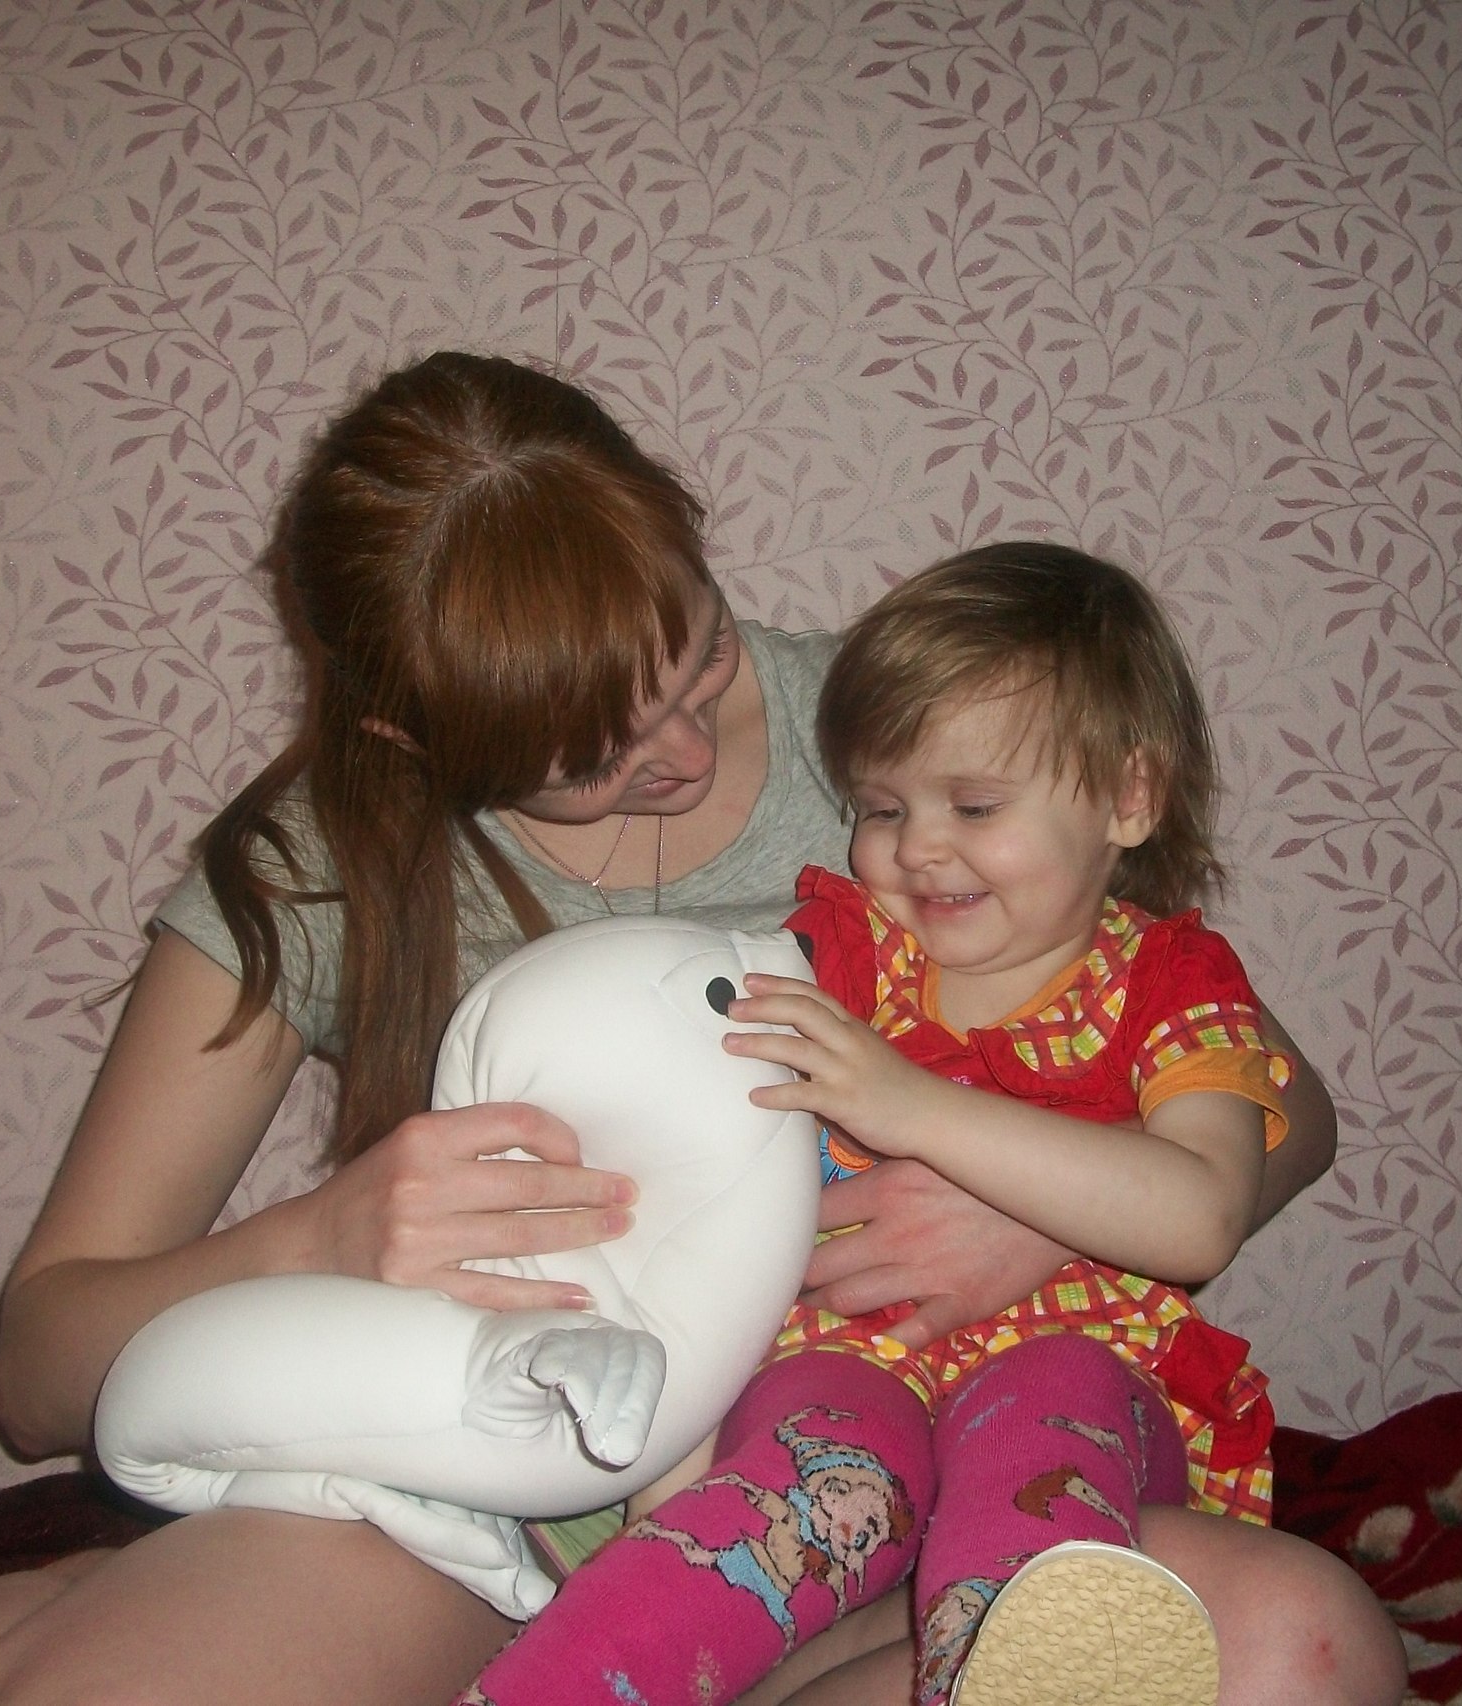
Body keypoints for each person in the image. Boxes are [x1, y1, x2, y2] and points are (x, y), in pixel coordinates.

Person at [0, 354, 1362, 1706]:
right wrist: (326, 1232)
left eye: (695, 655)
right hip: (489, 1526)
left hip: (875, 1512)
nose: (681, 752)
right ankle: (91, 1615)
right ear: (413, 734)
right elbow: (36, 1372)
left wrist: (1034, 1201)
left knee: (1297, 1647)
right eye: (590, 754)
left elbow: (1278, 1107)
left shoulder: (893, 745)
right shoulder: (315, 867)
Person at [454, 544, 1404, 1706]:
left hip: (1080, 1388)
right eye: (883, 807)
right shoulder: (836, 957)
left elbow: (1201, 1210)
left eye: (975, 804)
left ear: (1128, 797)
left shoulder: (1171, 984)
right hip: (843, 1363)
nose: (918, 846)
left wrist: (912, 1104)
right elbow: (691, 1145)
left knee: (1048, 1405)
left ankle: (1003, 1663)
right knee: (803, 1472)